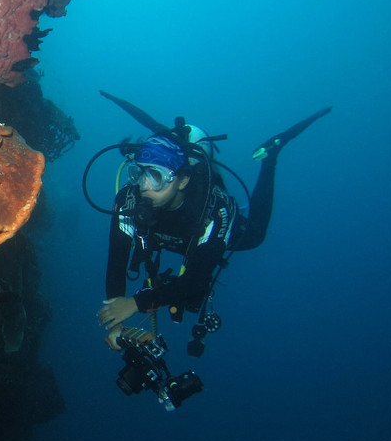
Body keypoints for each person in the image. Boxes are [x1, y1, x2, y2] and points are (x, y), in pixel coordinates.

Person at [96, 106, 331, 351]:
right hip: (174, 238)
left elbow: (197, 279)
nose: (144, 186)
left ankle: (270, 155)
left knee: (255, 236)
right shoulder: (129, 200)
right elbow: (117, 260)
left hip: (201, 233)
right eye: (138, 173)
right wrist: (116, 324)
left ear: (182, 180)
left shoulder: (214, 209)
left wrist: (136, 303)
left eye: (156, 176)